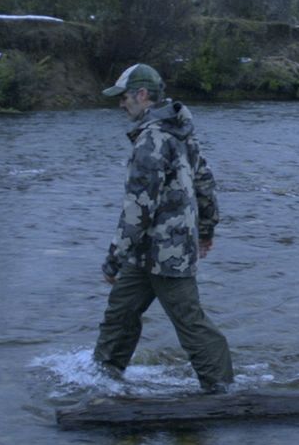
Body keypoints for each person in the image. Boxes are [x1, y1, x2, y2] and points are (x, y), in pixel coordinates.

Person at [93, 63, 236, 394]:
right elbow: (206, 184)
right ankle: (102, 379)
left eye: (124, 97)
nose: (120, 104)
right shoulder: (180, 131)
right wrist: (206, 230)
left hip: (168, 255)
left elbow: (137, 209)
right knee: (120, 313)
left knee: (190, 323)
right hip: (149, 253)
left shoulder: (152, 140)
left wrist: (113, 259)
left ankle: (224, 392)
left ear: (142, 96)